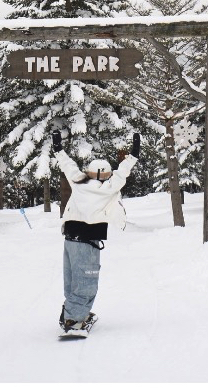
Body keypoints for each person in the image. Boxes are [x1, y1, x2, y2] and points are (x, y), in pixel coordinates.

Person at [52, 130, 140, 336]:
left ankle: (73, 311)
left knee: (73, 278)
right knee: (86, 280)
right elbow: (123, 171)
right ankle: (73, 320)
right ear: (108, 174)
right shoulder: (110, 186)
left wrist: (58, 148)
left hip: (70, 238)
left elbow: (68, 164)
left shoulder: (78, 181)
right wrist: (134, 154)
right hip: (88, 240)